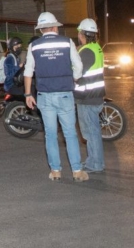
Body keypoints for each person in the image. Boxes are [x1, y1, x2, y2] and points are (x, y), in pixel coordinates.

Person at [23, 12, 87, 182]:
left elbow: (28, 71)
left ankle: (56, 171)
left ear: (42, 29)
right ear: (52, 27)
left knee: (50, 134)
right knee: (70, 133)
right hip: (65, 94)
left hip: (44, 95)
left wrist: (28, 94)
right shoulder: (67, 42)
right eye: (57, 26)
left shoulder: (34, 46)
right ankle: (77, 171)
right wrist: (73, 78)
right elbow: (78, 65)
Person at [74, 18, 106, 173]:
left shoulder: (86, 52)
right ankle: (94, 161)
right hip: (95, 95)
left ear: (83, 34)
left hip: (87, 97)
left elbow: (76, 73)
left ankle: (95, 164)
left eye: (80, 32)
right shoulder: (96, 48)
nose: (79, 35)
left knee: (91, 133)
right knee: (93, 132)